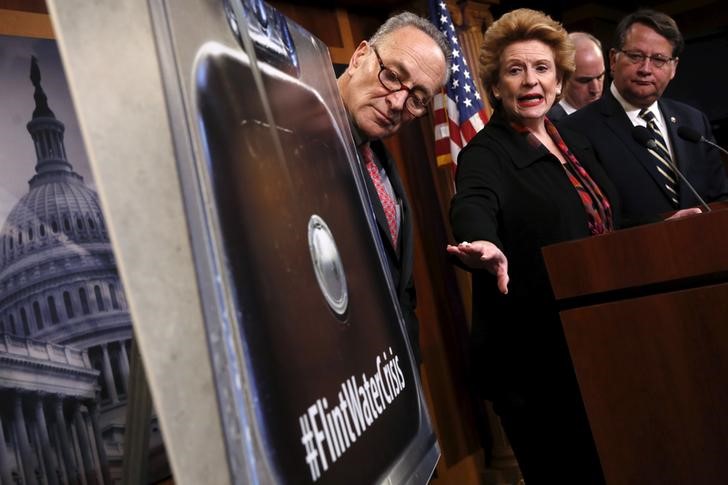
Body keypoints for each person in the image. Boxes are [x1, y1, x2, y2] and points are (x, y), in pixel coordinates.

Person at [447, 8, 618, 483]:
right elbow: (474, 202)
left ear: (559, 81)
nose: (530, 82)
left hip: (599, 343)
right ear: (497, 86)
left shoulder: (572, 141)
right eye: (515, 71)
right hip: (536, 366)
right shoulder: (487, 152)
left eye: (541, 69)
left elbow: (603, 219)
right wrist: (481, 240)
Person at [337, 12, 450, 364]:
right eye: (393, 76)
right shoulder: (292, 137)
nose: (398, 103)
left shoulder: (381, 160)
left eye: (418, 97)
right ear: (359, 57)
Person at [561, 9, 728, 221]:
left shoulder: (693, 121)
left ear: (673, 67)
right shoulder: (576, 130)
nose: (646, 69)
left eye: (658, 59)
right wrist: (662, 230)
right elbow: (593, 219)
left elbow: (719, 197)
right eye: (636, 56)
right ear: (613, 59)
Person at [547, 32, 605, 121]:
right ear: (561, 78)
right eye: (585, 80)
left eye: (600, 77)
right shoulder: (549, 124)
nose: (596, 90)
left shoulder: (612, 112)